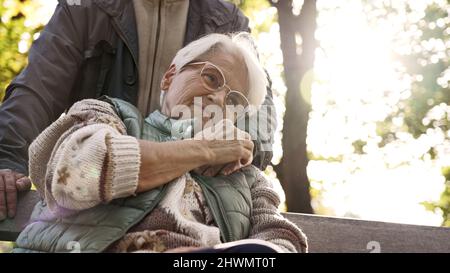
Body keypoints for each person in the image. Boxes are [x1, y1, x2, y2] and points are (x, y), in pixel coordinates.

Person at [13, 33, 307, 253]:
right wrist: (203, 149)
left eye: (233, 101)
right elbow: (74, 176)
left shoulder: (249, 180)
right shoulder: (108, 115)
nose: (218, 99)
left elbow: (280, 240)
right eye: (212, 78)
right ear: (169, 77)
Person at [0, 0, 276, 221]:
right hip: (100, 180)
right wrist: (7, 158)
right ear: (170, 76)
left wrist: (238, 150)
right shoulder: (88, 6)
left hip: (185, 190)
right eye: (211, 79)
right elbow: (39, 86)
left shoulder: (225, 19)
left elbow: (255, 104)